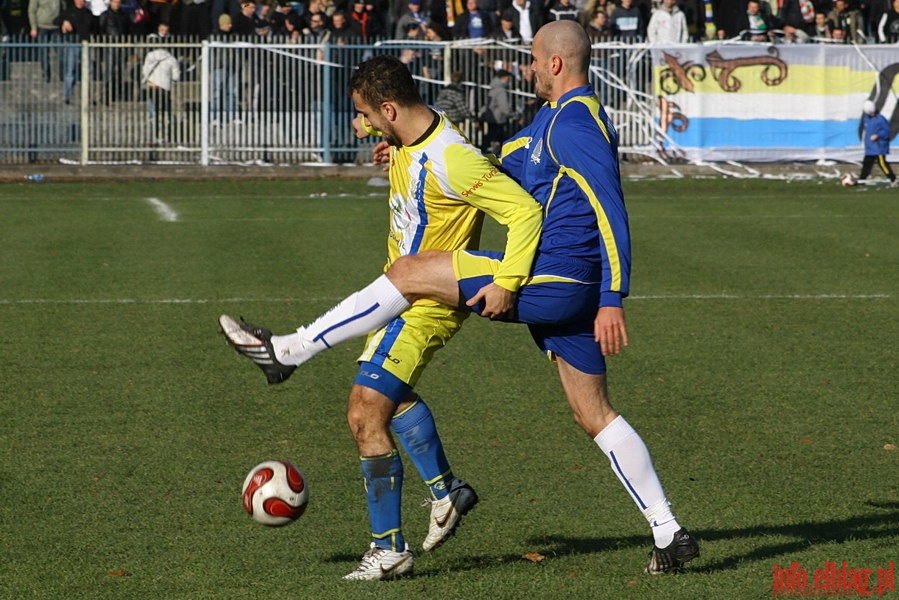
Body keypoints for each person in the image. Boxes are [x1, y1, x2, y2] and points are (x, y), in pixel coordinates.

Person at [220, 20, 700, 576]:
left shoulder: (579, 123)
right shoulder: (548, 122)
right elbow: (496, 172)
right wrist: (402, 153)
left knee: (409, 270)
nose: (526, 67)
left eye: (532, 59)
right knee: (593, 413)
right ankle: (670, 533)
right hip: (561, 286)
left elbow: (611, 209)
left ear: (554, 64)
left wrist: (613, 297)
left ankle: (289, 351)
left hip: (558, 279)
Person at [221, 54, 544, 580]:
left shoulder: (452, 157)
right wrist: (393, 143)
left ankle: (389, 547)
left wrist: (506, 283)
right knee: (387, 400)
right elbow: (424, 148)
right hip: (400, 295)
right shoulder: (414, 136)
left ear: (390, 108)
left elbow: (523, 210)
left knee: (363, 410)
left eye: (367, 115)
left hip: (427, 303)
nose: (361, 123)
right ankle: (447, 491)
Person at [142, 26, 180, 146]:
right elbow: (176, 77)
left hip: (152, 86)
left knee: (152, 112)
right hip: (164, 88)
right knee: (164, 112)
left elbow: (144, 71)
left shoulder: (149, 56)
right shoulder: (171, 59)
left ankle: (152, 135)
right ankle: (164, 136)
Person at [858, 100, 897, 186]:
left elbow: (886, 131)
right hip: (870, 147)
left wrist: (878, 135)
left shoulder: (880, 119)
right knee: (867, 163)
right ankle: (862, 179)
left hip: (879, 146)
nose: (872, 114)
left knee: (882, 163)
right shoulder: (866, 118)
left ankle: (892, 178)